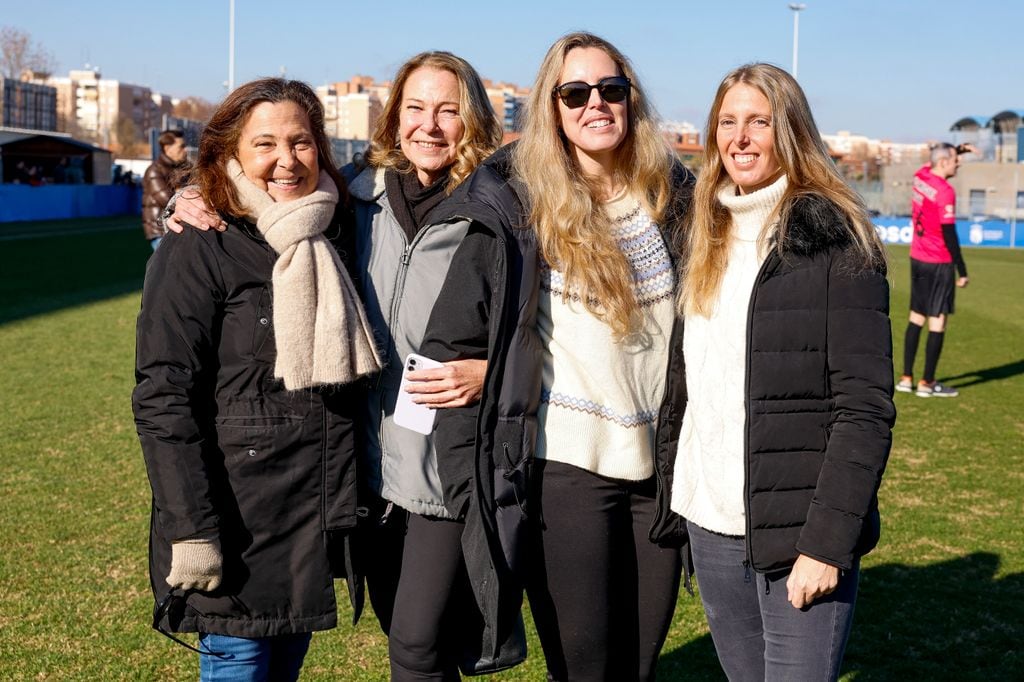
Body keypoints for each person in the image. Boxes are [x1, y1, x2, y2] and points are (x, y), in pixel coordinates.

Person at [165, 53, 524, 680]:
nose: (430, 125)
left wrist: (491, 370)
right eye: (415, 107)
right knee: (408, 635)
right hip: (361, 472)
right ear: (393, 117)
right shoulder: (356, 201)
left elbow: (547, 324)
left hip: (442, 463)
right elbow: (276, 198)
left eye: (449, 110)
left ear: (475, 120)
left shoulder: (505, 209)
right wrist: (193, 195)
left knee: (415, 645)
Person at [419, 32, 694, 681]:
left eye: (611, 89)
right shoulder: (520, 205)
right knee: (585, 669)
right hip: (564, 473)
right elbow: (457, 340)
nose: (595, 103)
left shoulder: (676, 200)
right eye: (576, 93)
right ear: (553, 107)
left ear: (630, 99)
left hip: (658, 475)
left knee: (638, 664)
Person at [653, 63, 896, 681]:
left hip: (798, 534)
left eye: (759, 121)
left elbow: (863, 409)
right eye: (727, 122)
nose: (740, 137)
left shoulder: (835, 240)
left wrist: (826, 543)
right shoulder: (701, 232)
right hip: (711, 525)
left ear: (790, 132)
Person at [132, 78, 380, 681]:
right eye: (264, 143)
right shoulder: (198, 242)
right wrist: (191, 530)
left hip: (305, 520)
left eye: (301, 141)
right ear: (229, 152)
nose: (286, 159)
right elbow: (163, 394)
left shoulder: (333, 227)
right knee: (240, 664)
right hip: (234, 524)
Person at [898, 142, 969, 398]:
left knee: (916, 316)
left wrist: (957, 149)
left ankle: (906, 378)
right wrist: (962, 269)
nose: (958, 163)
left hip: (917, 258)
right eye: (955, 160)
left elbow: (935, 157)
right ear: (943, 163)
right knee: (937, 320)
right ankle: (927, 383)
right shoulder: (945, 191)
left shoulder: (921, 177)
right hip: (939, 261)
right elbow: (950, 233)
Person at [142, 129, 190, 250]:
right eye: (181, 146)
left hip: (178, 228)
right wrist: (185, 193)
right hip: (161, 231)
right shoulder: (154, 170)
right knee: (170, 268)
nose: (186, 150)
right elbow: (168, 200)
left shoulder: (184, 168)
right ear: (167, 148)